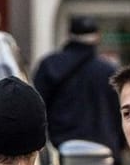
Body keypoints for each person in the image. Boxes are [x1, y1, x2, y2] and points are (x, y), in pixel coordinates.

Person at [33, 15, 121, 156]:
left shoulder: (49, 66)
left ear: (69, 35)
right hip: (103, 151)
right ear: (97, 37)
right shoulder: (108, 71)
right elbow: (118, 112)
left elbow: (36, 108)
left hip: (59, 150)